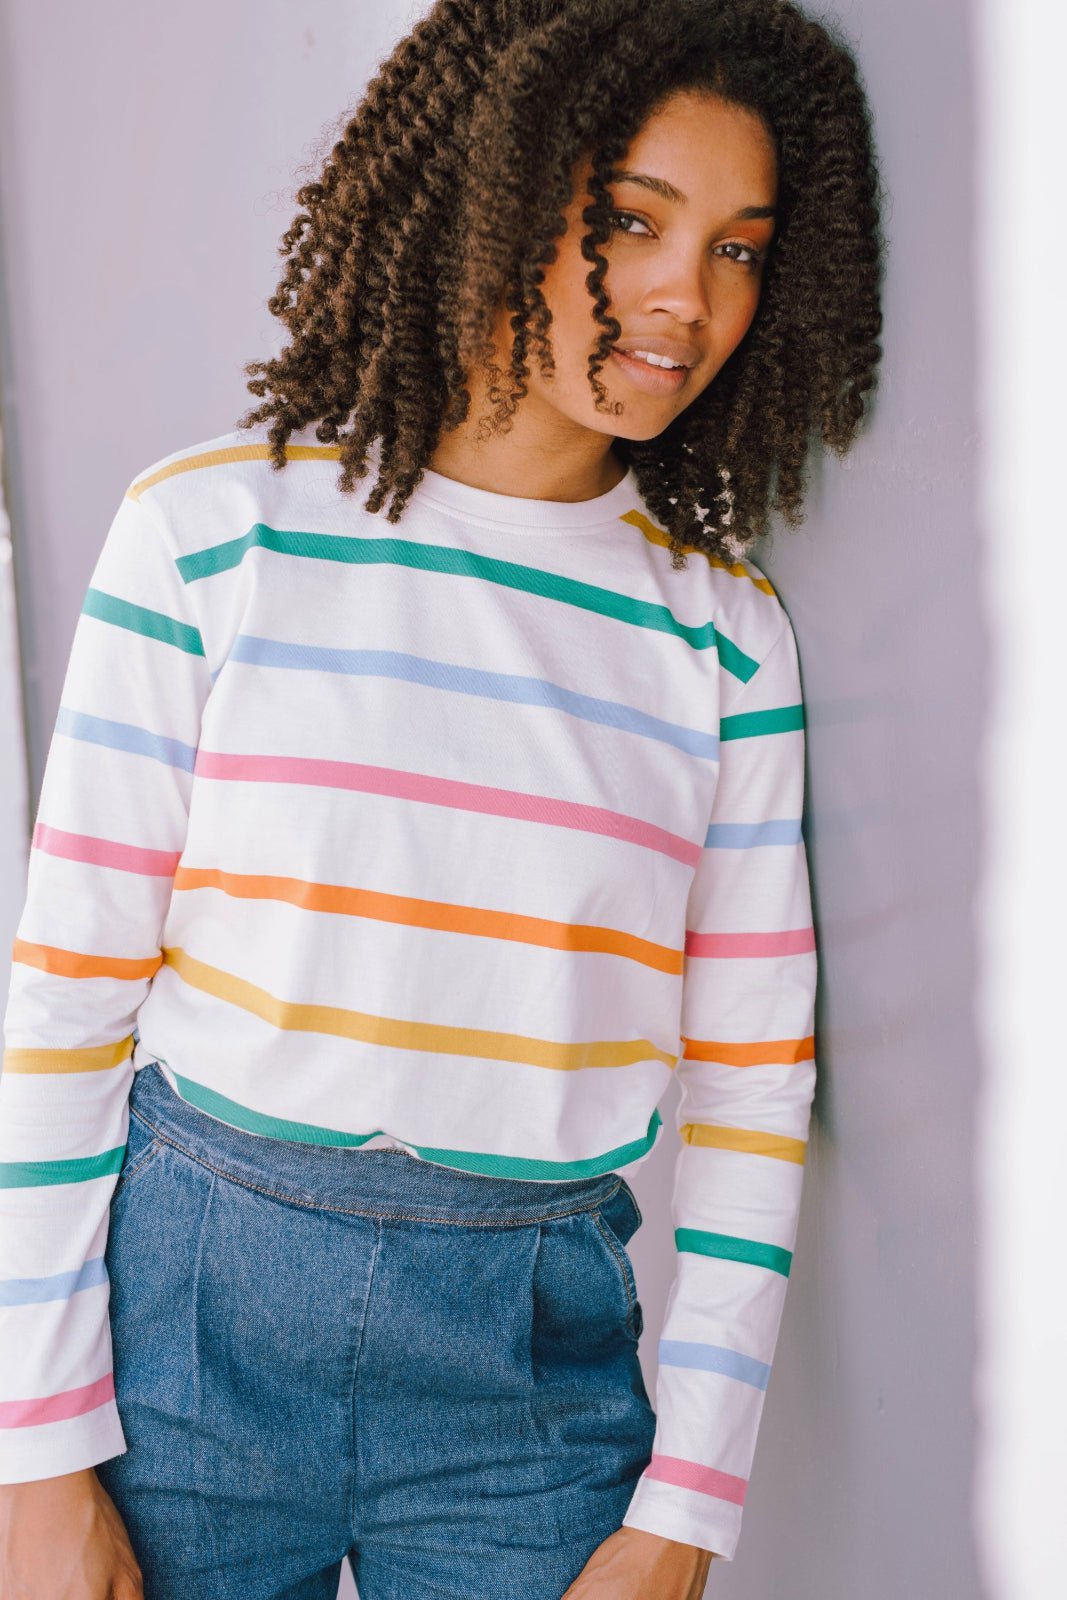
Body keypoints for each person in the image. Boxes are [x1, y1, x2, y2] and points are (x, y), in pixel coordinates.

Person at [0, 0, 881, 1594]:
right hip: (188, 1334)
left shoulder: (727, 644)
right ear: (495, 191)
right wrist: (34, 1461)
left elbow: (754, 1094)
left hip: (523, 1380)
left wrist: (686, 1512)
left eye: (742, 248)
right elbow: (62, 1007)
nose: (690, 295)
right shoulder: (208, 539)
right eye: (631, 222)